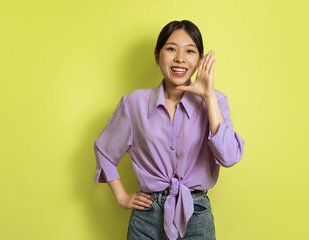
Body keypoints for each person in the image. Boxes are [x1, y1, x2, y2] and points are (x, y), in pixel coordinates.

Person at [93, 20, 244, 240]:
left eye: (190, 51)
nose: (180, 58)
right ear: (157, 56)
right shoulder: (134, 103)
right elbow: (105, 151)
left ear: (200, 61)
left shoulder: (215, 102)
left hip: (196, 215)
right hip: (146, 217)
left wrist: (209, 97)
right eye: (171, 48)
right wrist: (122, 197)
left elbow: (229, 157)